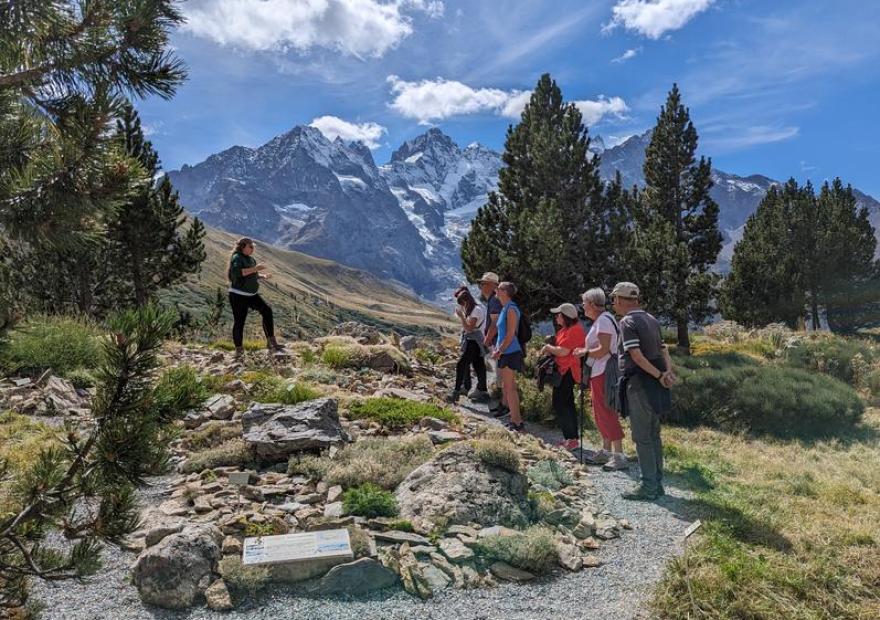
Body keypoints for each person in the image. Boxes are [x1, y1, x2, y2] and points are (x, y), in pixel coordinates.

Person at [611, 282, 677, 501]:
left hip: (640, 383)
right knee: (654, 434)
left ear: (620, 300)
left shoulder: (627, 322)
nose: (614, 304)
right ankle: (657, 482)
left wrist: (659, 375)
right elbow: (663, 350)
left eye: (614, 300)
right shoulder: (652, 319)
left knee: (642, 437)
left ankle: (648, 486)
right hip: (657, 383)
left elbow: (637, 357)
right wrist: (666, 373)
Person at [575, 288, 628, 470]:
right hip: (602, 370)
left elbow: (603, 350)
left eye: (584, 303)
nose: (583, 307)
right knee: (602, 410)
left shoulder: (603, 321)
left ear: (591, 304)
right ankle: (606, 451)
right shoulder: (605, 319)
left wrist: (584, 352)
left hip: (603, 371)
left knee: (605, 411)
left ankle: (619, 455)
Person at [228, 237, 284, 358]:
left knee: (267, 311)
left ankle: (271, 343)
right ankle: (239, 350)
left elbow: (253, 273)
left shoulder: (250, 259)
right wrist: (256, 268)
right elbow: (240, 272)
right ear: (243, 247)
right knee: (239, 321)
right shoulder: (237, 257)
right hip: (238, 295)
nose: (253, 249)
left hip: (251, 294)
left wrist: (263, 276)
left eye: (253, 247)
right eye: (250, 246)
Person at [540, 303, 586, 450]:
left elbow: (563, 351)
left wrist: (548, 348)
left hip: (568, 371)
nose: (556, 317)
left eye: (559, 314)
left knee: (561, 403)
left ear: (565, 316)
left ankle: (571, 439)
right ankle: (571, 438)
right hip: (564, 371)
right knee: (566, 403)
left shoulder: (575, 330)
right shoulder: (567, 329)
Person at [491, 281, 525, 432]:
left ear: (505, 292)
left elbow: (510, 333)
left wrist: (500, 350)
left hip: (510, 352)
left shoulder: (511, 309)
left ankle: (517, 421)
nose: (496, 290)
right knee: (508, 386)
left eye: (499, 288)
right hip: (507, 351)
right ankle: (515, 419)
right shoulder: (506, 308)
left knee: (510, 388)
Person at [448, 286, 489, 402]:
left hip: (473, 341)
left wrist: (461, 316)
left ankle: (456, 392)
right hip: (476, 341)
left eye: (462, 303)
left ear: (466, 301)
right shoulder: (475, 308)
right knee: (478, 364)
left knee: (461, 364)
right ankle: (482, 390)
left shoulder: (476, 310)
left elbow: (469, 328)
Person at [478, 272, 504, 410]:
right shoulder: (495, 299)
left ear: (493, 285)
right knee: (500, 374)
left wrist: (487, 340)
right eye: (481, 283)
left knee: (501, 375)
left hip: (497, 342)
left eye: (484, 283)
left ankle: (504, 405)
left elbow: (495, 323)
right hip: (499, 342)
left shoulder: (494, 300)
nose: (481, 286)